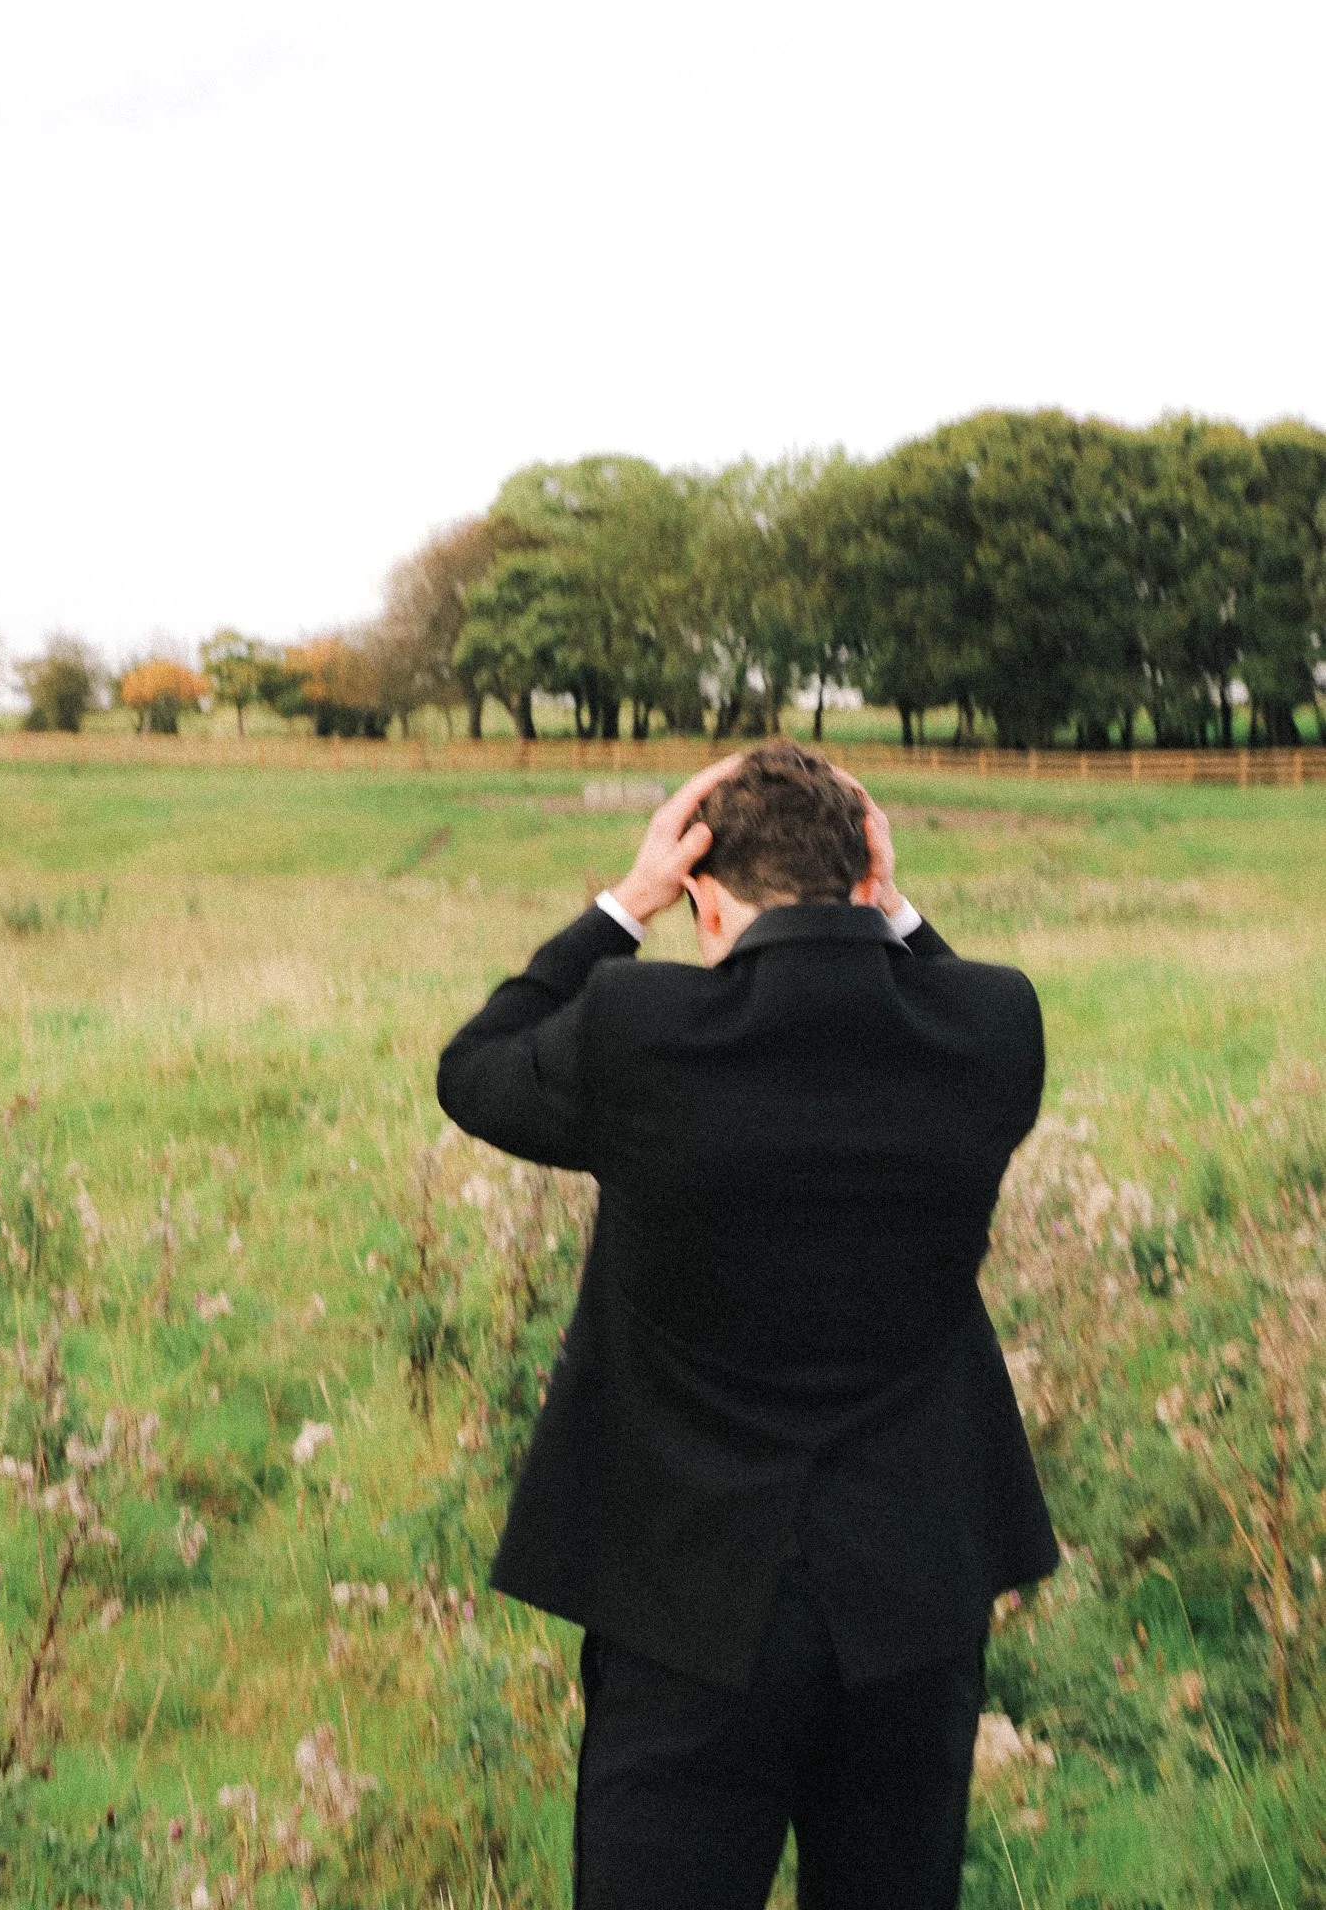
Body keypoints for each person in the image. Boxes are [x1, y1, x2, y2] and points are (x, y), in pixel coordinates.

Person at [437, 740, 1057, 1910]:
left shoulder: (639, 1031)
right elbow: (955, 1001)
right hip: (911, 1595)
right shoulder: (989, 1028)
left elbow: (474, 1069)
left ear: (704, 895)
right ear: (868, 870)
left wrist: (623, 905)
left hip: (686, 1601)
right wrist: (900, 908)